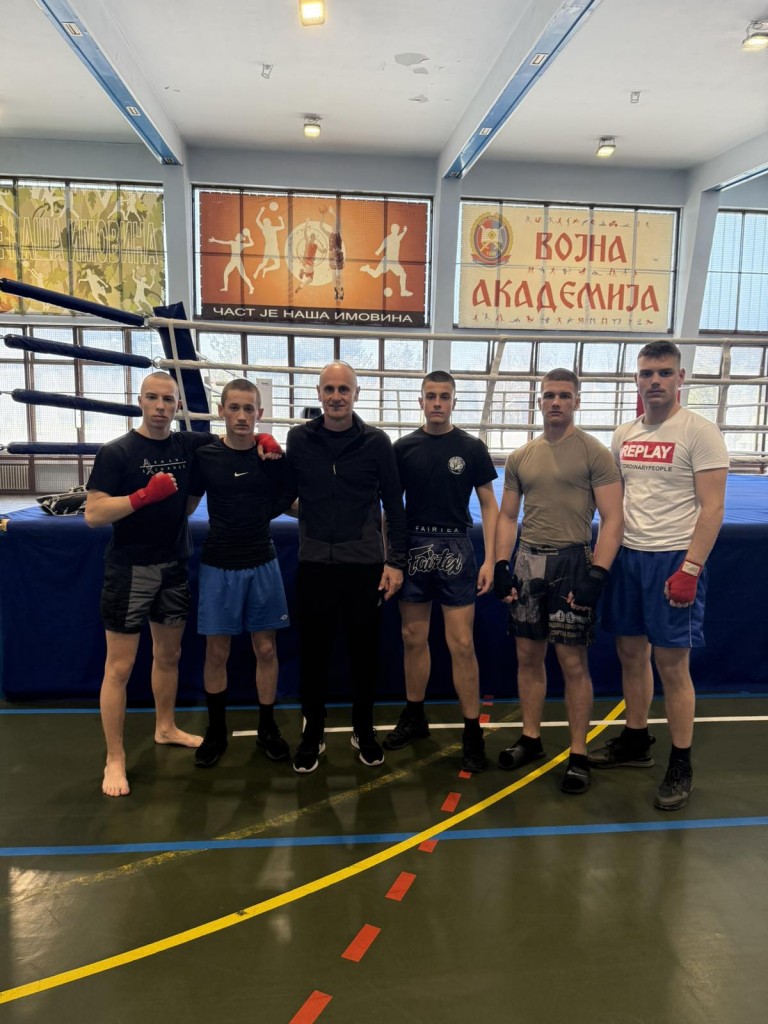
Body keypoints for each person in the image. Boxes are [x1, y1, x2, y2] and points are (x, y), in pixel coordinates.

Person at [85, 371, 279, 797]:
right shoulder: (117, 452)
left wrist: (263, 440)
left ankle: (166, 726)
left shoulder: (189, 445)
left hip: (174, 564)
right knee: (119, 667)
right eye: (152, 398)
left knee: (168, 655)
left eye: (168, 400)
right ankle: (114, 758)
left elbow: (233, 439)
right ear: (140, 400)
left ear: (177, 406)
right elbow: (94, 514)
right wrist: (140, 497)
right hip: (130, 568)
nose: (160, 407)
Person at [587, 342, 728, 811]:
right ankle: (635, 739)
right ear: (636, 379)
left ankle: (681, 762)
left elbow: (713, 508)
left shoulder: (700, 432)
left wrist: (690, 568)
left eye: (664, 372)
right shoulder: (623, 433)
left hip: (673, 559)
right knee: (630, 654)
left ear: (680, 377)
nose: (655, 381)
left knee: (672, 666)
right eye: (647, 373)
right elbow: (615, 503)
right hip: (629, 557)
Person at [493, 369, 624, 794]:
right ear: (539, 401)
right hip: (529, 560)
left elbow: (613, 518)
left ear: (577, 401)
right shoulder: (521, 456)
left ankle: (578, 753)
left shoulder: (594, 453)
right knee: (528, 656)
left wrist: (598, 572)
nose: (556, 402)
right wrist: (501, 563)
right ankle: (531, 737)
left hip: (573, 561)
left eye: (564, 396)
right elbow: (507, 516)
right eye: (549, 395)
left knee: (572, 662)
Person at [283, 361, 407, 773]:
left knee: (364, 655)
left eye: (344, 389)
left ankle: (364, 730)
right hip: (315, 564)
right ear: (319, 394)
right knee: (313, 655)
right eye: (329, 389)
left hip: (364, 566)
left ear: (356, 394)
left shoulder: (376, 442)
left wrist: (395, 561)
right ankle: (313, 733)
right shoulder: (299, 439)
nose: (336, 396)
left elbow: (394, 505)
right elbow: (284, 491)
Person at [384, 371, 498, 772]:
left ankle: (472, 731)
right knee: (412, 637)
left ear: (453, 402)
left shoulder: (471, 447)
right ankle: (415, 716)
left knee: (461, 643)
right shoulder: (403, 448)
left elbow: (489, 505)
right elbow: (391, 507)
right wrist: (391, 557)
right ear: (421, 401)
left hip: (456, 545)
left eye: (444, 396)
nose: (437, 403)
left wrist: (491, 559)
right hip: (413, 544)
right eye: (430, 396)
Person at [187, 379, 291, 769]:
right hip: (219, 564)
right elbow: (186, 506)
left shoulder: (271, 458)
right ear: (221, 411)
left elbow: (289, 497)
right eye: (235, 408)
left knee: (266, 649)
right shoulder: (206, 456)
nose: (242, 416)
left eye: (249, 409)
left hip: (262, 560)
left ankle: (268, 727)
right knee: (218, 651)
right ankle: (216, 732)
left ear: (259, 414)